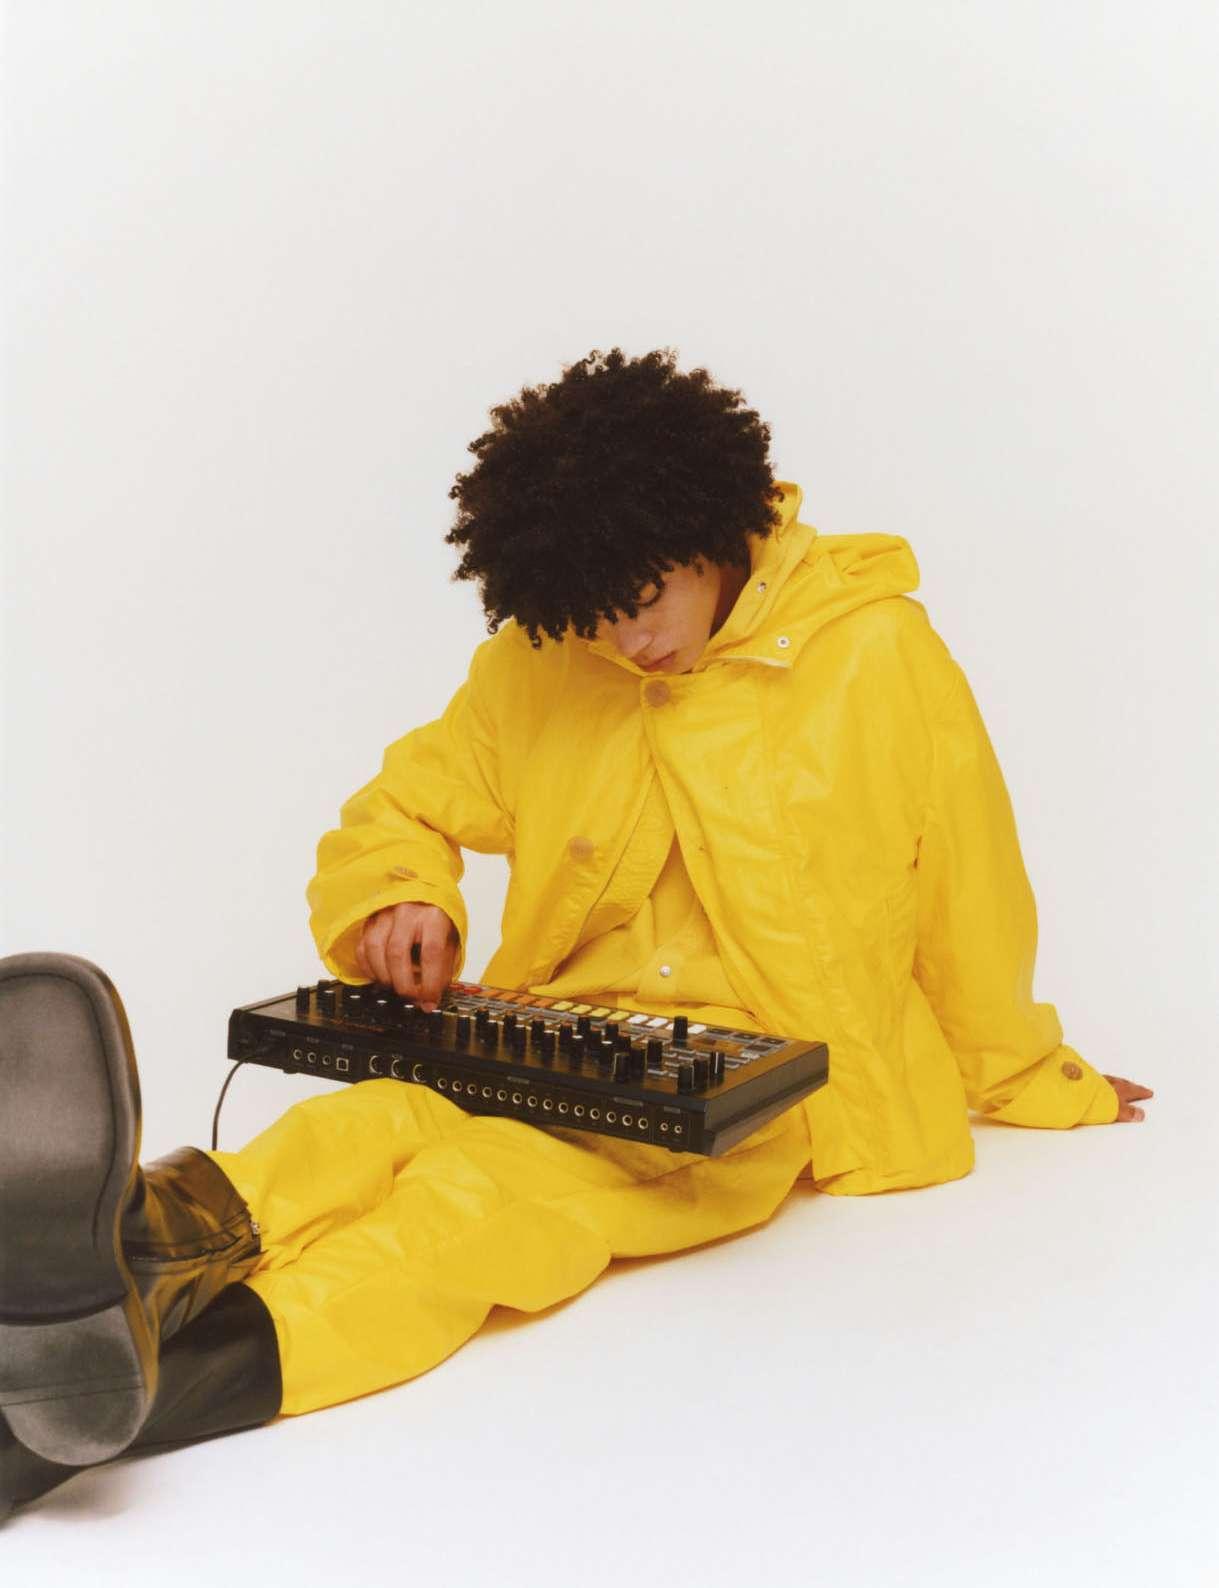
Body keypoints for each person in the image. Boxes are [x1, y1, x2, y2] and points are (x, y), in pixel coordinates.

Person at [0, 347, 1153, 1517]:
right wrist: (401, 896)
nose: (628, 642)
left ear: (707, 531)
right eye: (595, 619)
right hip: (551, 1032)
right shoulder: (546, 664)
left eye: (644, 601)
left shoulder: (877, 653)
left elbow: (969, 884)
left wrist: (1028, 1073)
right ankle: (113, 1245)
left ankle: (80, 1418)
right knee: (363, 1123)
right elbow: (399, 810)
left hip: (754, 1086)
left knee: (481, 1208)